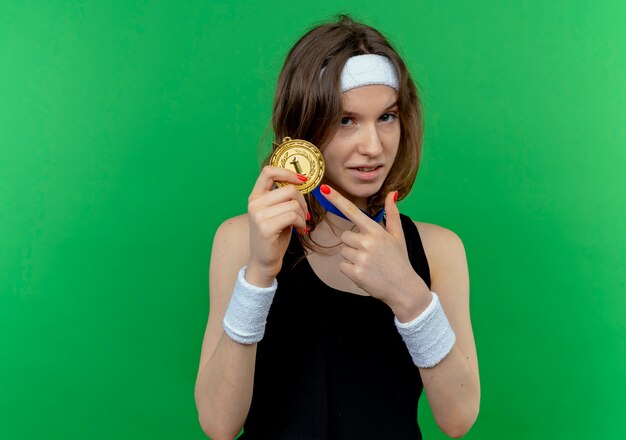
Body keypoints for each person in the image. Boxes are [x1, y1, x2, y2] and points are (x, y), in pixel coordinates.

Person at [194, 14, 480, 440]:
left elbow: (458, 420)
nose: (373, 146)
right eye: (347, 120)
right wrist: (258, 275)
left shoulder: (439, 250)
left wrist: (409, 294)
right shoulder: (240, 240)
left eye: (387, 117)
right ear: (303, 128)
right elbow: (219, 424)